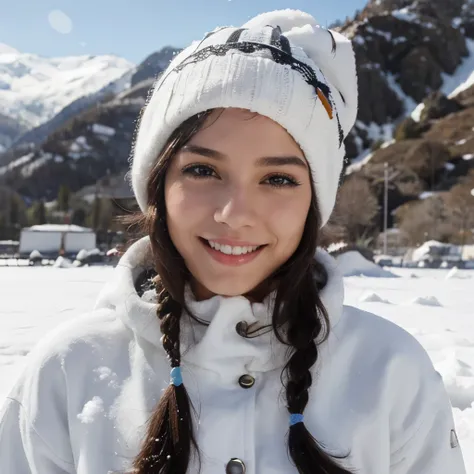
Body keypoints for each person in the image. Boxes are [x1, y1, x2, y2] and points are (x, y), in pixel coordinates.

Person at [0, 9, 466, 474]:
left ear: (314, 200)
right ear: (158, 186)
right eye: (203, 170)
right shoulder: (67, 371)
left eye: (278, 178)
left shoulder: (391, 372)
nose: (234, 215)